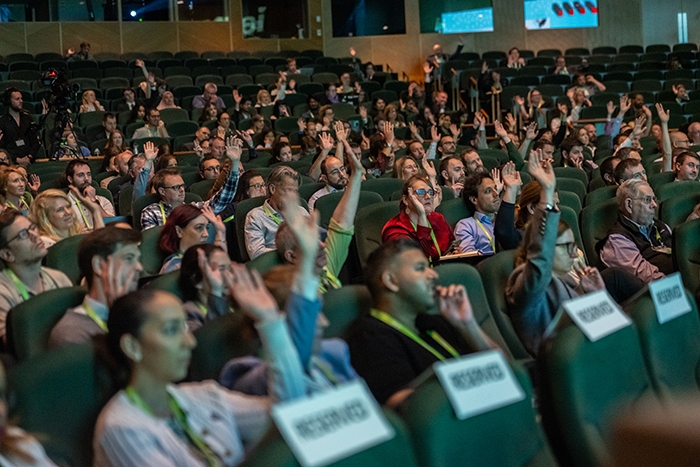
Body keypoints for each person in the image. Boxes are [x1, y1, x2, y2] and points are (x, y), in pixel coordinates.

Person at [92, 273, 307, 465]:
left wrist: (270, 322)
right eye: (172, 330)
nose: (190, 342)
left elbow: (290, 416)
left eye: (185, 327)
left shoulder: (203, 396)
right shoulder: (121, 427)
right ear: (132, 347)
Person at [346, 238, 498, 405]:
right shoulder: (368, 337)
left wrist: (467, 324)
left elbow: (503, 368)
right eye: (420, 268)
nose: (433, 274)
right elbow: (402, 405)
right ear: (391, 281)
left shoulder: (434, 323)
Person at [276, 148, 364, 293]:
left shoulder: (326, 266)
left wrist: (356, 175)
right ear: (292, 256)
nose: (323, 245)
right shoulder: (290, 294)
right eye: (310, 242)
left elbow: (342, 222)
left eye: (318, 239)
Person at [48, 226, 142, 348]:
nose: (139, 267)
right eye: (129, 258)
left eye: (138, 259)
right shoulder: (71, 334)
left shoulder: (138, 313)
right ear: (98, 266)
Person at [0, 210, 72, 340]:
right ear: (7, 255)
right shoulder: (3, 293)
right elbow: (17, 347)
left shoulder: (59, 278)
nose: (35, 235)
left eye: (32, 228)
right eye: (23, 235)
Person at [140, 139, 241, 230]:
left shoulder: (193, 209)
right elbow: (153, 244)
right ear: (162, 191)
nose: (182, 190)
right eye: (176, 187)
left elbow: (224, 198)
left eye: (182, 186)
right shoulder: (151, 212)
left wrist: (235, 163)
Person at [598, 180, 673, 282]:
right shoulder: (618, 240)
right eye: (647, 200)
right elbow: (647, 277)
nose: (654, 204)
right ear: (629, 205)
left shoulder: (660, 225)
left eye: (654, 199)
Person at [382, 174, 454, 263]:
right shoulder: (395, 229)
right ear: (405, 200)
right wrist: (422, 215)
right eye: (421, 192)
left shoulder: (438, 218)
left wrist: (455, 252)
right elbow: (418, 261)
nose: (428, 196)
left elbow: (452, 246)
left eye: (430, 192)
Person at [244, 166, 307, 259]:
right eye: (289, 190)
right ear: (272, 189)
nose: (293, 196)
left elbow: (317, 239)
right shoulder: (256, 216)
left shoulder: (301, 212)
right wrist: (290, 253)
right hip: (277, 269)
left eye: (295, 191)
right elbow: (256, 254)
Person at [158, 205, 226, 274]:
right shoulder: (174, 266)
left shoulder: (197, 258)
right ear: (179, 231)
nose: (206, 234)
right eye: (199, 227)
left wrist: (220, 232)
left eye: (207, 228)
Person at [31, 188, 104, 249]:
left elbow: (102, 247)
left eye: (68, 207)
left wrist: (96, 211)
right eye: (60, 210)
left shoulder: (78, 235)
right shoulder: (45, 243)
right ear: (45, 216)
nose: (68, 212)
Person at [454, 172, 501, 255]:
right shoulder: (466, 225)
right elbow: (470, 257)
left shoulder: (505, 220)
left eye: (495, 189)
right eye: (488, 191)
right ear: (474, 200)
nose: (496, 194)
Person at [64, 160, 115, 230]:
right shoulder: (64, 205)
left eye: (89, 174)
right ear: (70, 179)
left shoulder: (103, 201)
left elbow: (111, 227)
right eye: (81, 175)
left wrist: (94, 201)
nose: (86, 179)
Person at [0, 88, 40, 166]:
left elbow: (36, 140)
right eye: (17, 99)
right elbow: (1, 146)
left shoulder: (27, 118)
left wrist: (29, 156)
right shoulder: (2, 122)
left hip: (30, 161)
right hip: (12, 163)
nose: (21, 101)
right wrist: (16, 159)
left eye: (21, 98)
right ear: (9, 101)